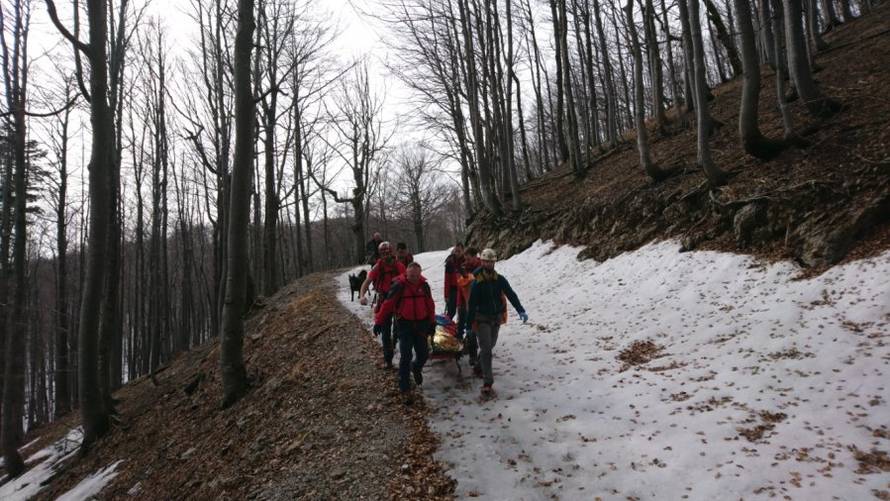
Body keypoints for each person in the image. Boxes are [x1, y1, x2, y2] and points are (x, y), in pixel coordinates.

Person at [466, 248, 528, 398]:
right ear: (482, 262)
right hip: (482, 319)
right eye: (486, 261)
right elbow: (472, 304)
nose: (488, 264)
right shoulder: (476, 282)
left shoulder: (499, 279)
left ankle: (479, 367)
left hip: (496, 318)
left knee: (491, 345)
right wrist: (468, 326)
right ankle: (488, 382)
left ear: (494, 262)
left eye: (491, 261)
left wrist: (520, 310)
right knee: (486, 349)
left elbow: (511, 294)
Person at [375, 262, 436, 405]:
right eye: (411, 275)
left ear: (420, 274)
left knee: (423, 354)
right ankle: (405, 389)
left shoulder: (424, 286)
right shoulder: (399, 286)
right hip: (405, 325)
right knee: (405, 355)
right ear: (406, 274)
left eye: (417, 275)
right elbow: (388, 305)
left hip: (421, 324)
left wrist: (432, 322)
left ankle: (416, 368)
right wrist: (379, 321)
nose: (414, 278)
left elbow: (430, 304)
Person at [359, 242, 407, 369]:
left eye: (389, 253)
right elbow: (366, 282)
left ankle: (398, 349)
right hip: (383, 299)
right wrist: (362, 295)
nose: (387, 256)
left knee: (399, 328)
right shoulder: (378, 267)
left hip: (398, 300)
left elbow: (407, 282)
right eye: (384, 254)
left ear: (392, 252)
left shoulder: (400, 266)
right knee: (385, 331)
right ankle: (388, 359)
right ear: (381, 255)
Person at [457, 247, 481, 365]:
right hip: (466, 304)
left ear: (475, 256)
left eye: (468, 258)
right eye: (465, 258)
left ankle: (482, 354)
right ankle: (473, 355)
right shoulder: (464, 269)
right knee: (470, 329)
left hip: (481, 304)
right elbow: (460, 288)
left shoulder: (483, 267)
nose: (466, 261)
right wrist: (460, 303)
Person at [443, 243, 465, 320]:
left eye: (459, 251)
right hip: (453, 290)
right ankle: (448, 329)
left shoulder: (466, 261)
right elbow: (447, 280)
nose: (457, 253)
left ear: (463, 251)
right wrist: (446, 295)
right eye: (456, 251)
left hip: (464, 289)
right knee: (450, 312)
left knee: (463, 312)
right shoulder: (450, 262)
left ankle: (460, 329)